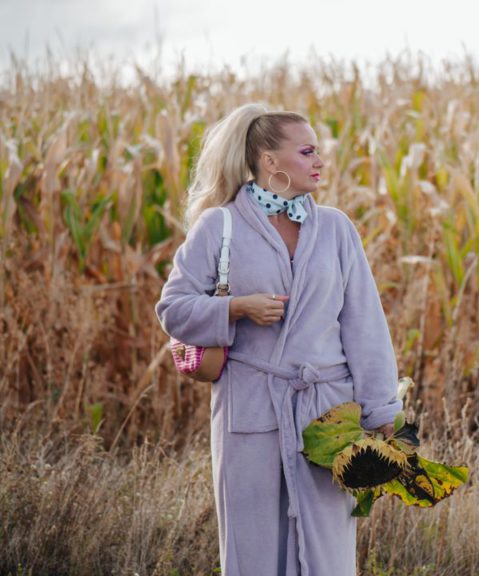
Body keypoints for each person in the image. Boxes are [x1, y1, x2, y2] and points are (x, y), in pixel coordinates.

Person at [156, 103, 401, 576]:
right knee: (254, 553)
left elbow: (365, 327)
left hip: (328, 416)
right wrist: (236, 307)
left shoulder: (336, 229)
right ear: (270, 161)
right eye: (307, 152)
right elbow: (172, 308)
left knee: (328, 555)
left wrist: (383, 412)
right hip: (251, 407)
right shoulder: (219, 226)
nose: (320, 162)